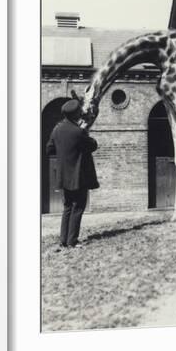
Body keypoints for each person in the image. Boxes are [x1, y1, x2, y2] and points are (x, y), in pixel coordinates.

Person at [46, 99, 99, 249]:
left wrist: (64, 153)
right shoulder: (78, 131)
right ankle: (72, 241)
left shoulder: (57, 129)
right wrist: (85, 132)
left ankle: (63, 240)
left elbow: (49, 149)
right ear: (76, 114)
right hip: (78, 176)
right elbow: (93, 145)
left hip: (63, 175)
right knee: (78, 207)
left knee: (68, 207)